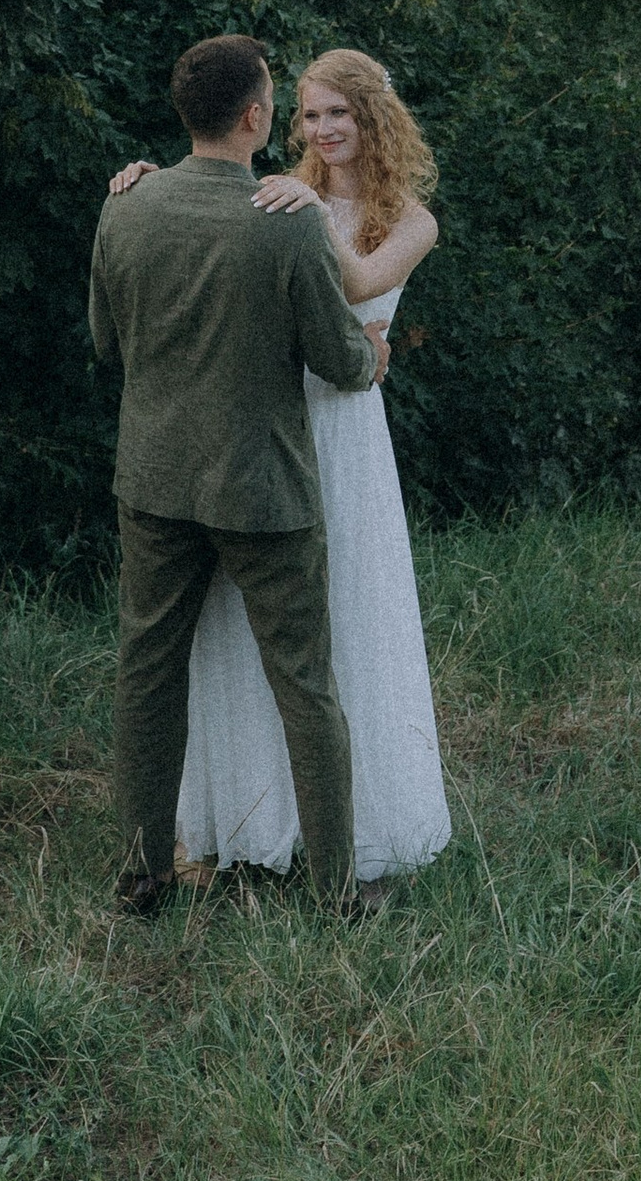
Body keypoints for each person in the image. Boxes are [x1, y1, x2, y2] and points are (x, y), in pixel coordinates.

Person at [107, 46, 452, 891]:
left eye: (338, 112)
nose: (321, 128)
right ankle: (265, 829)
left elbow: (361, 281)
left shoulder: (398, 217)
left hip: (332, 437)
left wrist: (297, 219)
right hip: (262, 444)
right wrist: (159, 189)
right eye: (309, 112)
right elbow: (318, 328)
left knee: (337, 635)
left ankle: (337, 840)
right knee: (261, 655)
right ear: (269, 116)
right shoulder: (274, 198)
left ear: (374, 118)